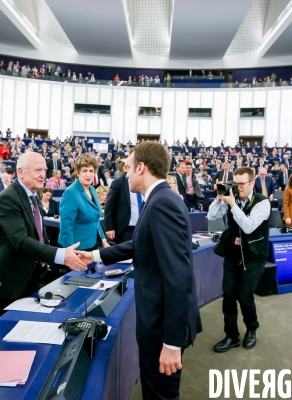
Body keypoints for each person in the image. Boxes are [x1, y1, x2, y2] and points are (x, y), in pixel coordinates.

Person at [76, 142, 201, 400]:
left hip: (162, 329)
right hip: (157, 324)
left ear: (142, 167)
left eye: (129, 168)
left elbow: (179, 279)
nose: (126, 173)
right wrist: (96, 254)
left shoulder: (162, 203)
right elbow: (139, 243)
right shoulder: (158, 198)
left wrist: (171, 344)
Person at [0, 152, 86, 307]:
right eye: (38, 170)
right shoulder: (8, 198)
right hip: (12, 278)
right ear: (20, 172)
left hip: (31, 272)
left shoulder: (33, 195)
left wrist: (45, 255)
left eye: (44, 170)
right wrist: (59, 255)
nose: (43, 175)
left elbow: (38, 230)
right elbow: (21, 241)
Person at [208, 167, 271, 353]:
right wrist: (220, 198)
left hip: (253, 256)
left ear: (252, 183)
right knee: (228, 297)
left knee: (244, 296)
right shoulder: (231, 197)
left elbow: (249, 227)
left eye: (241, 184)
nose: (238, 187)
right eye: (235, 184)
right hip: (232, 254)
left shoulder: (262, 203)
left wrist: (233, 205)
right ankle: (231, 336)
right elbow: (211, 216)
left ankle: (252, 329)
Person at [59, 154, 109, 251]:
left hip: (92, 245)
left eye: (91, 171)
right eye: (84, 171)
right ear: (77, 173)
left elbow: (96, 220)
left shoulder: (92, 189)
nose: (88, 174)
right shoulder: (70, 193)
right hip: (76, 248)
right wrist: (71, 252)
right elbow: (66, 228)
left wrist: (104, 240)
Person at [104, 171, 143, 244]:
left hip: (144, 228)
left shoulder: (146, 181)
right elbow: (109, 206)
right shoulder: (119, 183)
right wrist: (109, 227)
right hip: (126, 229)